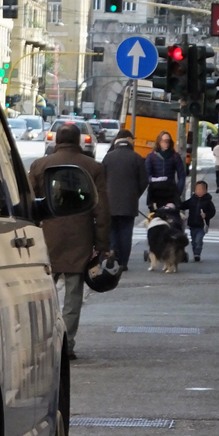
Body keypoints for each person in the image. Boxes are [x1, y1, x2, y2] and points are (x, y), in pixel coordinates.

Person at [29, 123, 111, 360]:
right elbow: (102, 209)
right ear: (79, 140)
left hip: (47, 236)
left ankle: (41, 344)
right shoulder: (93, 167)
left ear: (56, 140)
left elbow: (28, 199)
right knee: (74, 295)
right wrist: (102, 244)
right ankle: (66, 345)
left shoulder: (39, 165)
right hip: (80, 237)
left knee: (43, 293)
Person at [102, 128, 148, 272]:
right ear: (128, 140)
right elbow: (144, 181)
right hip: (129, 203)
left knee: (112, 230)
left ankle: (112, 250)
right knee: (126, 233)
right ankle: (123, 263)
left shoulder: (108, 157)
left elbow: (101, 180)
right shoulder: (137, 157)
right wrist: (135, 194)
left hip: (110, 203)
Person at [145, 130, 186, 212]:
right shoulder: (151, 156)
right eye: (164, 141)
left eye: (168, 141)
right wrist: (152, 180)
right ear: (159, 142)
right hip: (156, 193)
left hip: (170, 192)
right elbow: (146, 175)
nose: (166, 143)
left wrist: (178, 192)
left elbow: (182, 176)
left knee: (171, 218)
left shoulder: (175, 156)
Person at [180, 180, 216, 262]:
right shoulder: (192, 200)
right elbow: (184, 205)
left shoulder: (208, 201)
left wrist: (206, 215)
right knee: (193, 240)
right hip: (192, 224)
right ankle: (195, 251)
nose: (199, 191)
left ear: (205, 191)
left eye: (201, 190)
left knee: (198, 240)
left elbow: (212, 212)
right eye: (197, 190)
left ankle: (197, 253)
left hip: (202, 225)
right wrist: (177, 205)